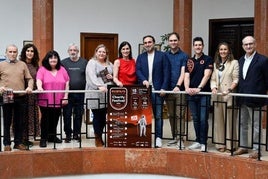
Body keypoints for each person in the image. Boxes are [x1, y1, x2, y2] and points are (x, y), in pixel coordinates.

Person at [234, 36, 268, 159]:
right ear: (243, 46)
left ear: (255, 44)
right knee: (242, 124)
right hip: (242, 98)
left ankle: (256, 149)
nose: (248, 46)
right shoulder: (240, 60)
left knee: (256, 125)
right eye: (246, 44)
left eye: (250, 44)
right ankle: (243, 146)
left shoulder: (263, 60)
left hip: (256, 99)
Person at [136, 35, 170, 148]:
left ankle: (158, 138)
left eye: (149, 42)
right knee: (144, 116)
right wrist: (144, 80)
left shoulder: (162, 56)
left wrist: (164, 87)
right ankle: (144, 138)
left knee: (159, 115)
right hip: (144, 92)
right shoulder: (140, 57)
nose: (147, 44)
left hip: (158, 91)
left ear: (154, 43)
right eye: (145, 42)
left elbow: (166, 72)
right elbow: (138, 70)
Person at [0, 44, 33, 151]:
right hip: (7, 95)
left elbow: (30, 79)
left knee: (20, 121)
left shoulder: (22, 64)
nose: (12, 54)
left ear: (17, 53)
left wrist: (29, 87)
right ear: (6, 53)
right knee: (7, 121)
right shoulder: (1, 65)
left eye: (14, 52)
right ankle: (7, 144)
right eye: (10, 52)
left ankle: (18, 142)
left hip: (21, 96)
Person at [184, 37, 213, 152]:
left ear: (203, 46)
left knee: (203, 119)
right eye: (196, 45)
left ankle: (203, 142)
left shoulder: (208, 59)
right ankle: (197, 140)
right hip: (191, 94)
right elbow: (186, 75)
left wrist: (199, 88)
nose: (198, 47)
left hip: (203, 94)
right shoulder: (190, 61)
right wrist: (186, 88)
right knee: (195, 118)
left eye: (200, 45)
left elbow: (207, 75)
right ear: (193, 46)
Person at [36, 50, 69, 147]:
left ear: (58, 59)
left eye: (55, 57)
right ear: (47, 59)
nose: (53, 59)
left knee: (55, 119)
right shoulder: (42, 69)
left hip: (58, 100)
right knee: (45, 120)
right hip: (45, 99)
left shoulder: (62, 69)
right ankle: (43, 138)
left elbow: (67, 83)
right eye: (51, 57)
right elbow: (39, 80)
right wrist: (39, 87)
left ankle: (52, 136)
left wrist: (66, 96)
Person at [210, 42, 239, 153]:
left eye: (225, 49)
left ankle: (230, 145)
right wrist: (213, 88)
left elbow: (236, 79)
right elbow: (213, 79)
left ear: (229, 51)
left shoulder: (234, 63)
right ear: (218, 51)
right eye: (221, 49)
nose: (223, 51)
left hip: (228, 95)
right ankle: (220, 144)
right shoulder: (216, 64)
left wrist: (229, 90)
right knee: (219, 121)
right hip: (218, 96)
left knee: (230, 121)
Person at [85, 44, 113, 147]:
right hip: (95, 94)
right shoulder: (92, 63)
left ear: (106, 54)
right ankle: (98, 138)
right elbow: (91, 77)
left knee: (103, 117)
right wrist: (98, 86)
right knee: (97, 116)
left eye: (103, 52)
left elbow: (114, 77)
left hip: (107, 95)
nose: (101, 53)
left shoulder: (110, 64)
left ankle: (101, 135)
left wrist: (112, 77)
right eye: (99, 51)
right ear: (96, 53)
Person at [165, 32, 188, 149]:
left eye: (175, 40)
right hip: (168, 90)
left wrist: (178, 86)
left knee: (180, 115)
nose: (173, 42)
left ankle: (180, 139)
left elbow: (183, 72)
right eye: (171, 40)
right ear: (168, 42)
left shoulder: (184, 56)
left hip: (180, 90)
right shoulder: (165, 55)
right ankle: (174, 137)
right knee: (171, 115)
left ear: (178, 41)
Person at [61, 43, 88, 143]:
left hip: (81, 93)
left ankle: (76, 134)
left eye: (75, 50)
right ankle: (68, 134)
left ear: (78, 51)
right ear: (68, 52)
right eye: (71, 50)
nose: (73, 52)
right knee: (67, 115)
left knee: (79, 115)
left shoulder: (84, 62)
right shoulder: (63, 62)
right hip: (67, 94)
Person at [20, 43, 41, 147]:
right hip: (21, 94)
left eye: (32, 51)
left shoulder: (36, 65)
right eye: (28, 51)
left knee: (30, 116)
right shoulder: (19, 64)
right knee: (21, 116)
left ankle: (27, 138)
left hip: (32, 95)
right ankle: (20, 139)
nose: (30, 53)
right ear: (24, 52)